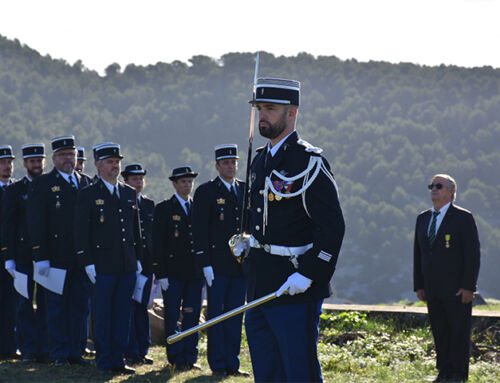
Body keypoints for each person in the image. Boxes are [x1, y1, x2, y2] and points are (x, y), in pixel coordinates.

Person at [242, 78, 345, 382]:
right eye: (259, 108)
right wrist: (249, 240)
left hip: (294, 281)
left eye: (270, 109)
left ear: (292, 113)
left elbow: (333, 227)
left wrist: (309, 273)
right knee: (266, 369)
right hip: (260, 282)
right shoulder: (260, 159)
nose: (262, 115)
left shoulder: (309, 161)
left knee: (299, 371)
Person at [74, 142, 143, 375]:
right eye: (110, 162)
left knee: (123, 314)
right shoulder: (88, 194)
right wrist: (87, 262)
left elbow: (135, 230)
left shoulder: (128, 192)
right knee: (103, 316)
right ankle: (104, 360)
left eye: (117, 162)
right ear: (98, 165)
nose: (115, 166)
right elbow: (81, 232)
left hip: (126, 264)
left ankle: (118, 358)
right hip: (102, 266)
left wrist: (139, 258)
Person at [27, 136, 92, 367]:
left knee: (80, 307)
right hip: (55, 258)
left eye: (71, 155)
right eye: (63, 155)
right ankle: (59, 353)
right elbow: (36, 224)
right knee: (56, 308)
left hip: (81, 259)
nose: (68, 159)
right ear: (54, 158)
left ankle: (76, 351)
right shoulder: (42, 185)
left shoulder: (86, 182)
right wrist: (40, 257)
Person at [414, 174, 480, 383]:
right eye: (431, 186)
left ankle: (458, 373)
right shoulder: (423, 218)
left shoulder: (462, 217)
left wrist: (469, 286)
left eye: (439, 186)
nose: (433, 189)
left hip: (456, 289)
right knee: (440, 331)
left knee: (458, 332)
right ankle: (444, 370)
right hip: (432, 288)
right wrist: (419, 285)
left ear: (451, 192)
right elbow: (418, 254)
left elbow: (472, 254)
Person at [192, 145, 248, 377]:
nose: (231, 166)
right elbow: (199, 230)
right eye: (226, 163)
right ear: (217, 166)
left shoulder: (245, 190)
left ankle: (232, 363)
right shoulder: (206, 192)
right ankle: (217, 363)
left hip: (240, 265)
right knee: (217, 315)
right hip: (216, 265)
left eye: (234, 162)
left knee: (235, 316)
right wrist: (204, 263)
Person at [1, 144, 49, 363]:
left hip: (46, 256)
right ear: (25, 164)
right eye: (31, 161)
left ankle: (44, 347)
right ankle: (29, 348)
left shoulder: (50, 186)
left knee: (47, 304)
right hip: (22, 256)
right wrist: (9, 256)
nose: (36, 165)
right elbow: (8, 226)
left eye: (39, 161)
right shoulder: (15, 190)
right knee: (24, 303)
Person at [153, 166, 203, 371]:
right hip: (172, 273)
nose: (187, 185)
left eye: (190, 182)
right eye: (183, 182)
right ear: (174, 184)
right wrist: (161, 273)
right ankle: (175, 357)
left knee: (192, 315)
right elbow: (157, 244)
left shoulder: (198, 207)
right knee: (172, 316)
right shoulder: (164, 208)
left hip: (194, 273)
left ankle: (191, 356)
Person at [122, 163, 155, 366]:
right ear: (125, 182)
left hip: (147, 264)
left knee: (143, 308)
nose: (138, 182)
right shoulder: (123, 202)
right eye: (134, 179)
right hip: (128, 263)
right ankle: (130, 350)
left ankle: (143, 349)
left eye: (141, 179)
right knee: (129, 309)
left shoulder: (149, 204)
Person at [0, 145, 19, 360]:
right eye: (3, 163)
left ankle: (9, 346)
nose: (7, 167)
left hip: (14, 256)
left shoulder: (16, 189)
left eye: (9, 163)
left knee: (12, 304)